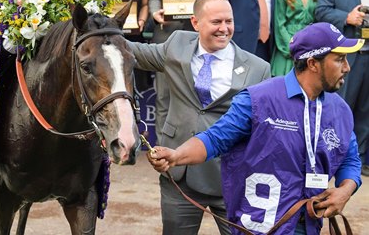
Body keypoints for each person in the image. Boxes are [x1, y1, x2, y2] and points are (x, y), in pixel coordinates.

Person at [148, 22, 363, 235]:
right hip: (260, 229)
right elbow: (215, 139)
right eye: (339, 59)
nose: (347, 67)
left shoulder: (340, 111)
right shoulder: (258, 100)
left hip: (309, 225)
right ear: (313, 63)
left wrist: (345, 190)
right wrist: (176, 156)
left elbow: (350, 159)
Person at [129, 0, 270, 235]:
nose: (224, 29)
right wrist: (92, 33)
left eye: (229, 21)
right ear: (195, 23)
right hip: (178, 175)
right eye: (216, 22)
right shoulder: (177, 46)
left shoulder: (258, 69)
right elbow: (134, 52)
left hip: (231, 180)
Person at [149, 0, 219, 141]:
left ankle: (196, 144)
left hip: (199, 38)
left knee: (198, 96)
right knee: (164, 96)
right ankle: (161, 146)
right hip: (166, 35)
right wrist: (155, 11)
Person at [316, 0, 369, 176]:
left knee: (367, 110)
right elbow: (322, 11)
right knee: (342, 108)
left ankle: (361, 162)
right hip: (348, 54)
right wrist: (346, 17)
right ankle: (336, 160)